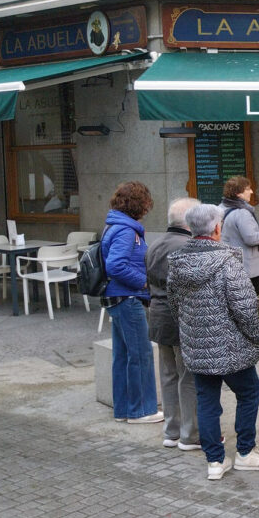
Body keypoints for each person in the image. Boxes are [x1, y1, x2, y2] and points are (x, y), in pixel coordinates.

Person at [168, 203, 259, 480]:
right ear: (217, 228)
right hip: (230, 347)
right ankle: (245, 451)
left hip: (196, 346)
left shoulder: (177, 262)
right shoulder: (227, 262)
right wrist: (256, 336)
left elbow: (174, 305)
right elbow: (244, 307)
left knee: (206, 400)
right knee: (250, 391)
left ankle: (215, 462)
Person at [101, 181, 162, 424]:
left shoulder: (115, 225)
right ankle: (141, 410)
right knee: (140, 355)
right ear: (138, 204)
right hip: (129, 298)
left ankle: (124, 409)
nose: (148, 207)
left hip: (118, 298)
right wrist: (144, 282)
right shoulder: (127, 231)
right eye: (146, 203)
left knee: (123, 355)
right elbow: (115, 265)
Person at [146, 196, 201, 449]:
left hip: (158, 317)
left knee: (168, 375)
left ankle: (172, 431)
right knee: (187, 377)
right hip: (181, 319)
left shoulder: (155, 244)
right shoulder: (187, 246)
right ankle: (190, 434)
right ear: (190, 220)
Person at [220, 176, 259, 294]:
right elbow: (251, 238)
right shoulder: (242, 213)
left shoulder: (220, 208)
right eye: (248, 189)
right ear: (238, 193)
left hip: (229, 266)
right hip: (249, 269)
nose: (251, 191)